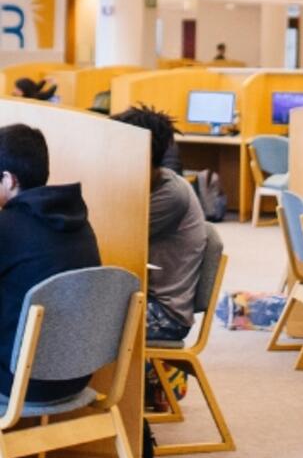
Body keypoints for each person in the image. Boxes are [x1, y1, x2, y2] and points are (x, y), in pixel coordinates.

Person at [0, 124, 101, 401]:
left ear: (9, 180)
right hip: (77, 374)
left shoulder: (7, 227)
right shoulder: (80, 222)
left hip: (19, 379)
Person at [111, 106, 206, 343]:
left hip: (164, 315)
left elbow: (110, 241)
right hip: (139, 296)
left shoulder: (170, 195)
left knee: (73, 320)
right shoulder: (142, 184)